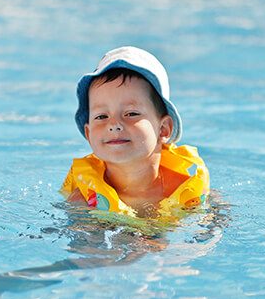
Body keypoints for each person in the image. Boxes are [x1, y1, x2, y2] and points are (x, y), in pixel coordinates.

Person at [62, 46, 209, 219]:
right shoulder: (85, 201)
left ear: (163, 129)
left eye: (131, 114)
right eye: (102, 116)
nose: (114, 124)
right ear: (88, 134)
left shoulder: (186, 191)